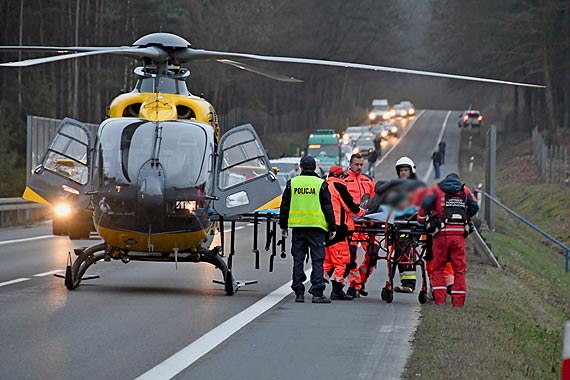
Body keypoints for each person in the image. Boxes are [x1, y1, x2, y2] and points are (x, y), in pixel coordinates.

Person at [280, 155, 336, 304]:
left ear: (301, 167)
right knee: (317, 261)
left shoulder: (292, 183)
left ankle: (299, 293)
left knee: (298, 260)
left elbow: (284, 206)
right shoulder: (321, 184)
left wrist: (283, 226)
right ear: (314, 167)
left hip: (298, 228)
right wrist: (332, 227)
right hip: (317, 228)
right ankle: (318, 293)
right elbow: (327, 207)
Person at [417, 173, 479, 307]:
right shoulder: (465, 191)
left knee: (438, 268)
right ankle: (458, 303)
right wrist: (466, 216)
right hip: (458, 235)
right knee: (459, 270)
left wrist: (421, 221)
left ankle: (440, 301)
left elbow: (425, 205)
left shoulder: (436, 189)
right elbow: (475, 206)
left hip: (441, 234)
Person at [324, 165, 365, 300]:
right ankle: (337, 290)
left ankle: (317, 286)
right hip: (339, 228)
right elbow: (350, 205)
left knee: (328, 261)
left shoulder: (324, 185)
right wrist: (362, 212)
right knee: (343, 262)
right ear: (340, 176)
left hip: (325, 227)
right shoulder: (339, 186)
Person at [343, 153, 375, 298]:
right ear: (350, 164)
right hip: (351, 223)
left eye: (361, 164)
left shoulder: (368, 180)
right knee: (351, 255)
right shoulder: (344, 181)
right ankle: (354, 283)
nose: (359, 167)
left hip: (367, 223)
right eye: (356, 164)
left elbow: (374, 201)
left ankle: (361, 282)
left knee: (373, 254)